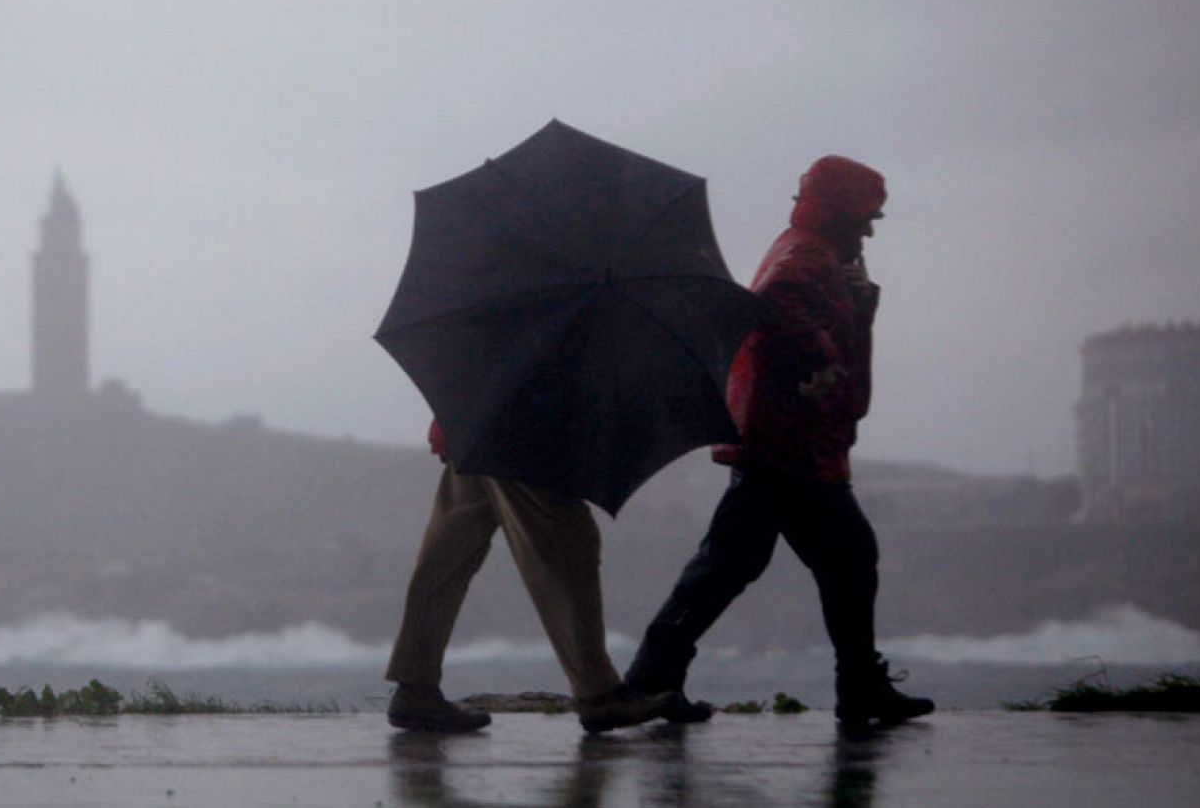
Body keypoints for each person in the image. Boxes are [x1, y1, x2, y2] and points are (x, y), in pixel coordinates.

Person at [623, 155, 934, 727]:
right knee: (845, 558)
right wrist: (818, 355)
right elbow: (779, 302)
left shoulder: (811, 251)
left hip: (783, 442)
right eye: (866, 215)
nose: (870, 228)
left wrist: (857, 309)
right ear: (841, 211)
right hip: (794, 447)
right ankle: (859, 688)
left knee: (730, 563)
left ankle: (651, 676)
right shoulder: (807, 258)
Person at [385, 420, 671, 733]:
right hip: (522, 434)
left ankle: (414, 686)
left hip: (479, 423)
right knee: (567, 547)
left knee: (449, 554)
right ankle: (598, 694)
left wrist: (452, 422)